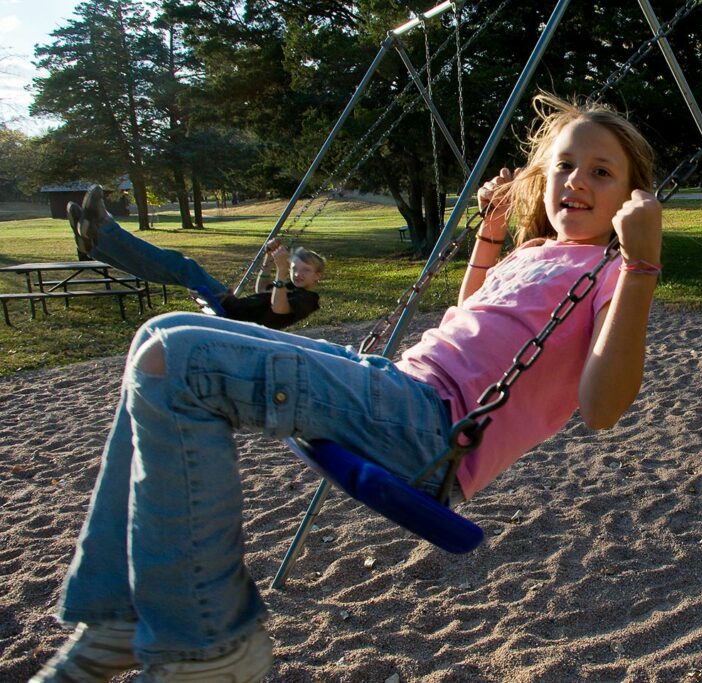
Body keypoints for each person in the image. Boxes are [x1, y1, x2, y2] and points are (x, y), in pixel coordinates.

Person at [32, 93, 663, 682]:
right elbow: (473, 315)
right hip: (397, 388)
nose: (576, 180)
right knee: (165, 332)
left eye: (601, 173)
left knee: (179, 357)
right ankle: (117, 618)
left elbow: (602, 409)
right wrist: (490, 231)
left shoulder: (610, 273)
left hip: (429, 428)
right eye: (564, 164)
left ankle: (207, 640)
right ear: (541, 177)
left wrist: (642, 263)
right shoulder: (534, 251)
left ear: (632, 200)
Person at [67, 185, 325, 330]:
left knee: (182, 266)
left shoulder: (309, 299)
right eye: (295, 268)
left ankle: (104, 230)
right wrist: (270, 263)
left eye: (306, 271)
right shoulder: (289, 286)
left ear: (318, 276)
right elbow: (263, 291)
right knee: (173, 270)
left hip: (232, 313)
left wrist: (281, 273)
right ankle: (95, 245)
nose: (298, 274)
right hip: (230, 306)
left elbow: (278, 310)